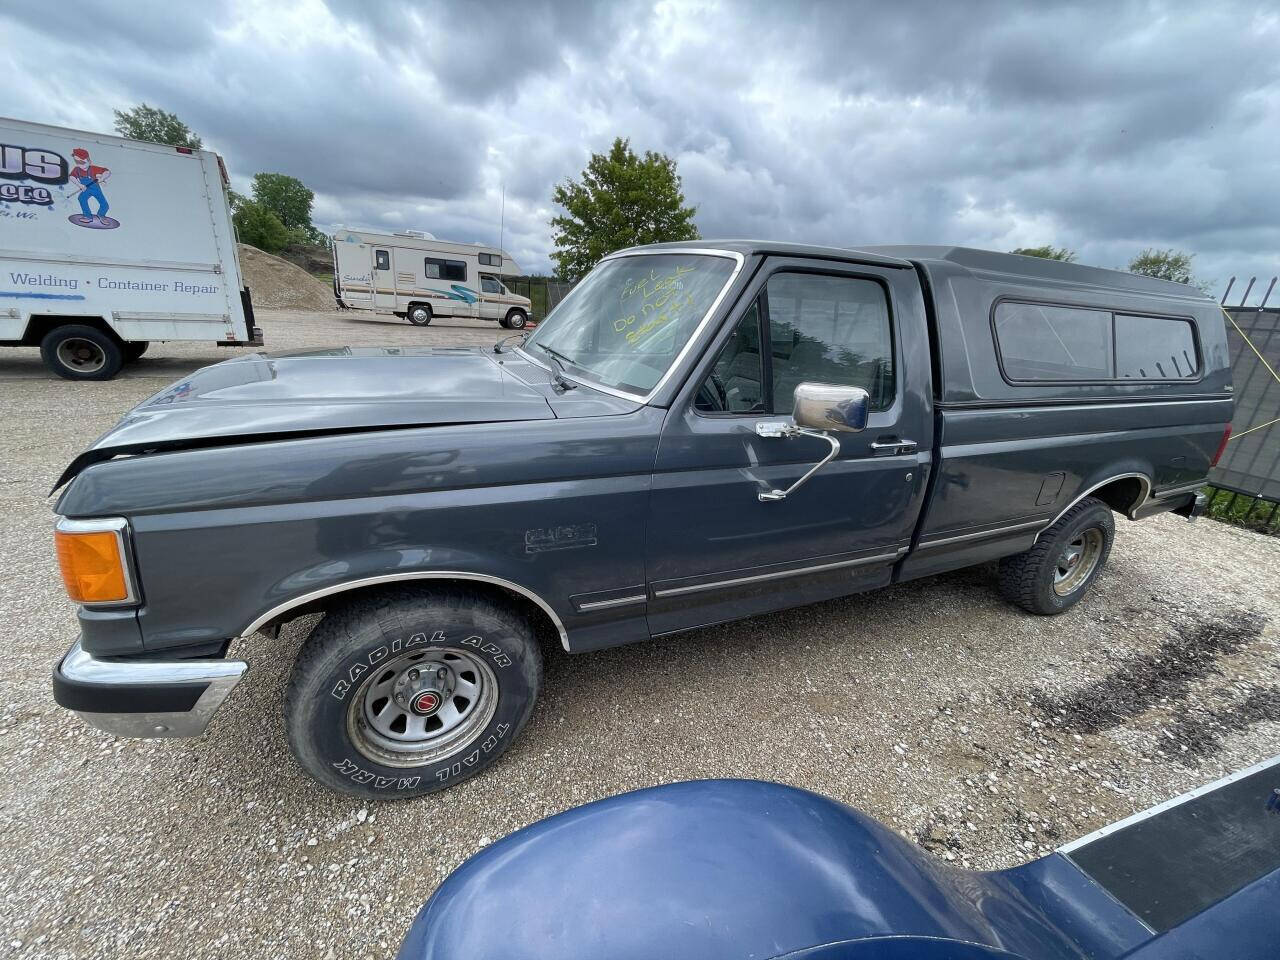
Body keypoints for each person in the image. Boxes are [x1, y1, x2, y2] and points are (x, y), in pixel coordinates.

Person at [69, 148, 111, 223]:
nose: (79, 164)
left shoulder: (93, 169)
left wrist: (101, 179)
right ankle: (88, 216)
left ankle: (101, 215)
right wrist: (80, 185)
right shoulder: (77, 170)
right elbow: (71, 177)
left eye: (81, 162)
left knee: (105, 205)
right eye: (77, 162)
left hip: (95, 189)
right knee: (81, 198)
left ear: (88, 161)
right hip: (86, 189)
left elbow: (107, 171)